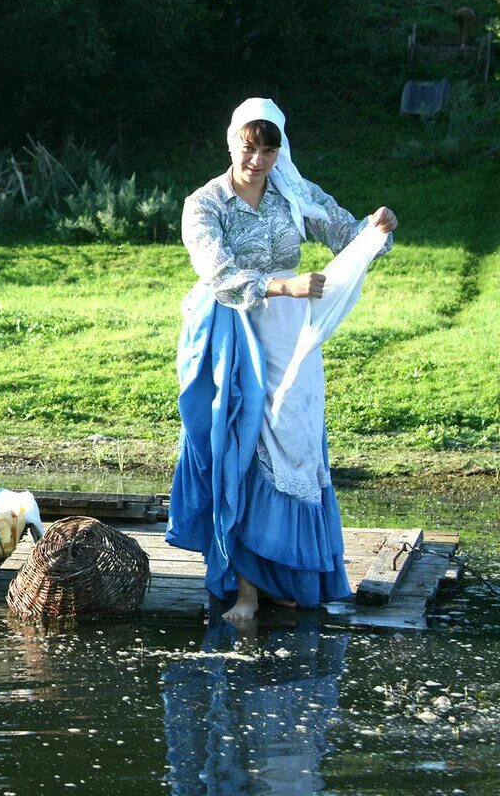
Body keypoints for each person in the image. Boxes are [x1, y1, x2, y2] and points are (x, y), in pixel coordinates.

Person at [166, 98, 398, 623]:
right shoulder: (205, 203)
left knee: (292, 444)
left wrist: (377, 228)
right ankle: (246, 590)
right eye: (250, 148)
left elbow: (346, 232)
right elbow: (216, 272)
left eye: (269, 150)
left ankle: (285, 576)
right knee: (241, 442)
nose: (258, 160)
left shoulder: (292, 193)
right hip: (231, 330)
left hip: (291, 337)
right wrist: (282, 285)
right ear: (232, 142)